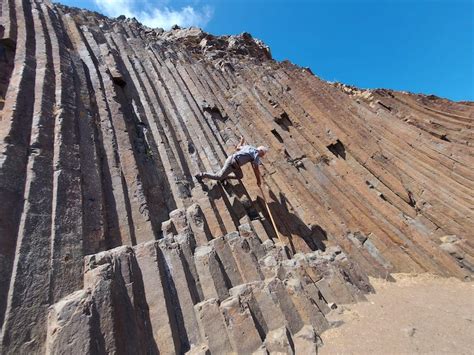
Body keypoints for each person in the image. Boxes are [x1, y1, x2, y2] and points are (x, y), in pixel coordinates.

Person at [196, 136, 268, 186]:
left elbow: (238, 148)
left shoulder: (249, 147)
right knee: (218, 176)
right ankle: (201, 175)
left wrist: (241, 141)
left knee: (240, 176)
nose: (263, 156)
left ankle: (225, 177)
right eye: (263, 153)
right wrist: (258, 181)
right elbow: (256, 169)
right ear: (261, 150)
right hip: (232, 163)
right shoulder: (256, 154)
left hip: (234, 162)